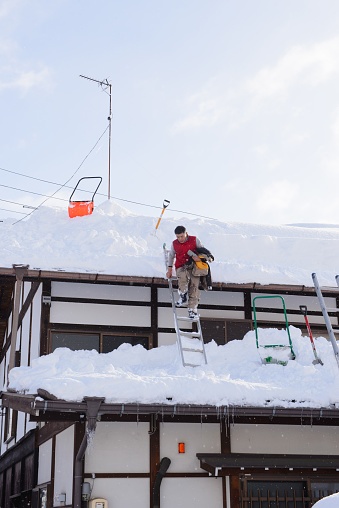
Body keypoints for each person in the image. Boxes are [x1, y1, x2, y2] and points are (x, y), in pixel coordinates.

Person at [166, 226, 213, 319]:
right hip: (181, 266)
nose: (180, 239)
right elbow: (171, 256)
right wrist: (170, 269)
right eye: (178, 237)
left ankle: (192, 310)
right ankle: (183, 295)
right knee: (182, 278)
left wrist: (199, 257)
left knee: (194, 287)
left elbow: (204, 251)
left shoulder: (194, 240)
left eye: (181, 236)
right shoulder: (174, 244)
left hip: (194, 266)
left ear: (186, 233)